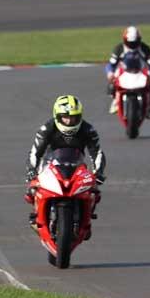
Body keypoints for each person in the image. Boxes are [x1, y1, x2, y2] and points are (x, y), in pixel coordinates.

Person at [24, 95, 106, 237]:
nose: (69, 121)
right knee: (32, 189)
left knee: (94, 191)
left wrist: (98, 173)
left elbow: (97, 152)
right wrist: (32, 170)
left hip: (77, 165)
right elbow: (35, 152)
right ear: (57, 116)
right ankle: (36, 216)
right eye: (65, 117)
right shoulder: (47, 128)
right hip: (50, 165)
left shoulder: (88, 130)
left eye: (74, 117)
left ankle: (86, 221)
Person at [106, 26, 150, 117]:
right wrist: (110, 73)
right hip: (124, 71)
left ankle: (149, 106)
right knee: (111, 84)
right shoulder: (119, 49)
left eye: (134, 43)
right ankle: (115, 100)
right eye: (130, 43)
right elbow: (111, 64)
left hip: (140, 72)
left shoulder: (145, 48)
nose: (132, 45)